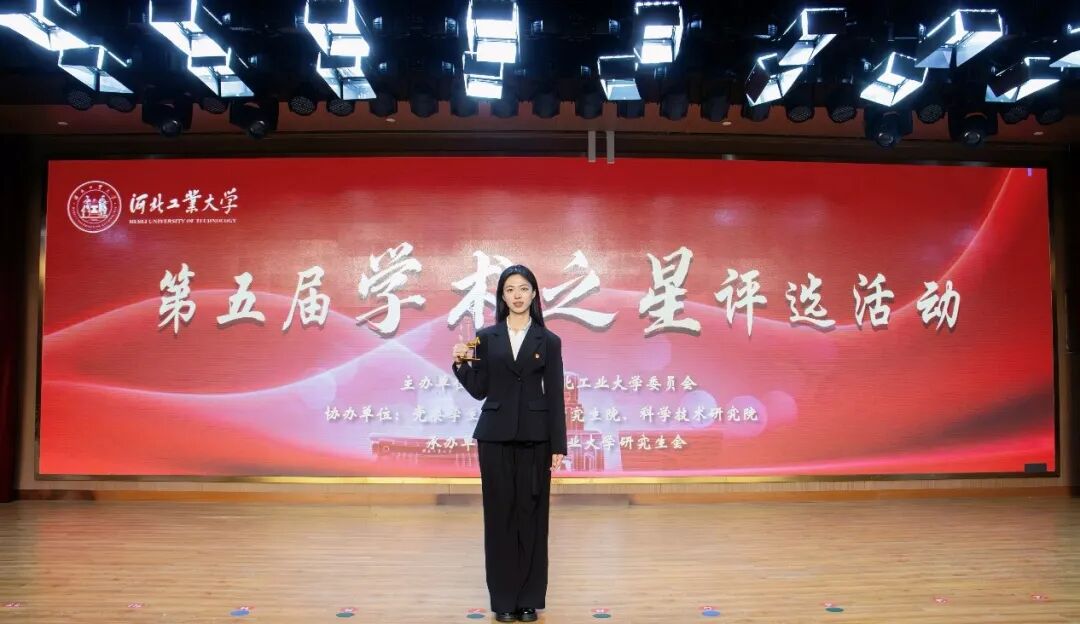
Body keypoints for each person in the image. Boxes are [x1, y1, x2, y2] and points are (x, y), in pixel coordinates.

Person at [452, 265, 568, 622]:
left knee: (532, 518)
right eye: (510, 289)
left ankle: (529, 599)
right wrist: (460, 363)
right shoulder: (485, 338)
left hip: (536, 438)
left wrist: (558, 445)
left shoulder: (549, 341)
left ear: (534, 294)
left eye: (524, 288)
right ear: (502, 296)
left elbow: (555, 394)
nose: (517, 295)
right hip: (494, 438)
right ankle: (503, 601)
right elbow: (480, 389)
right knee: (499, 518)